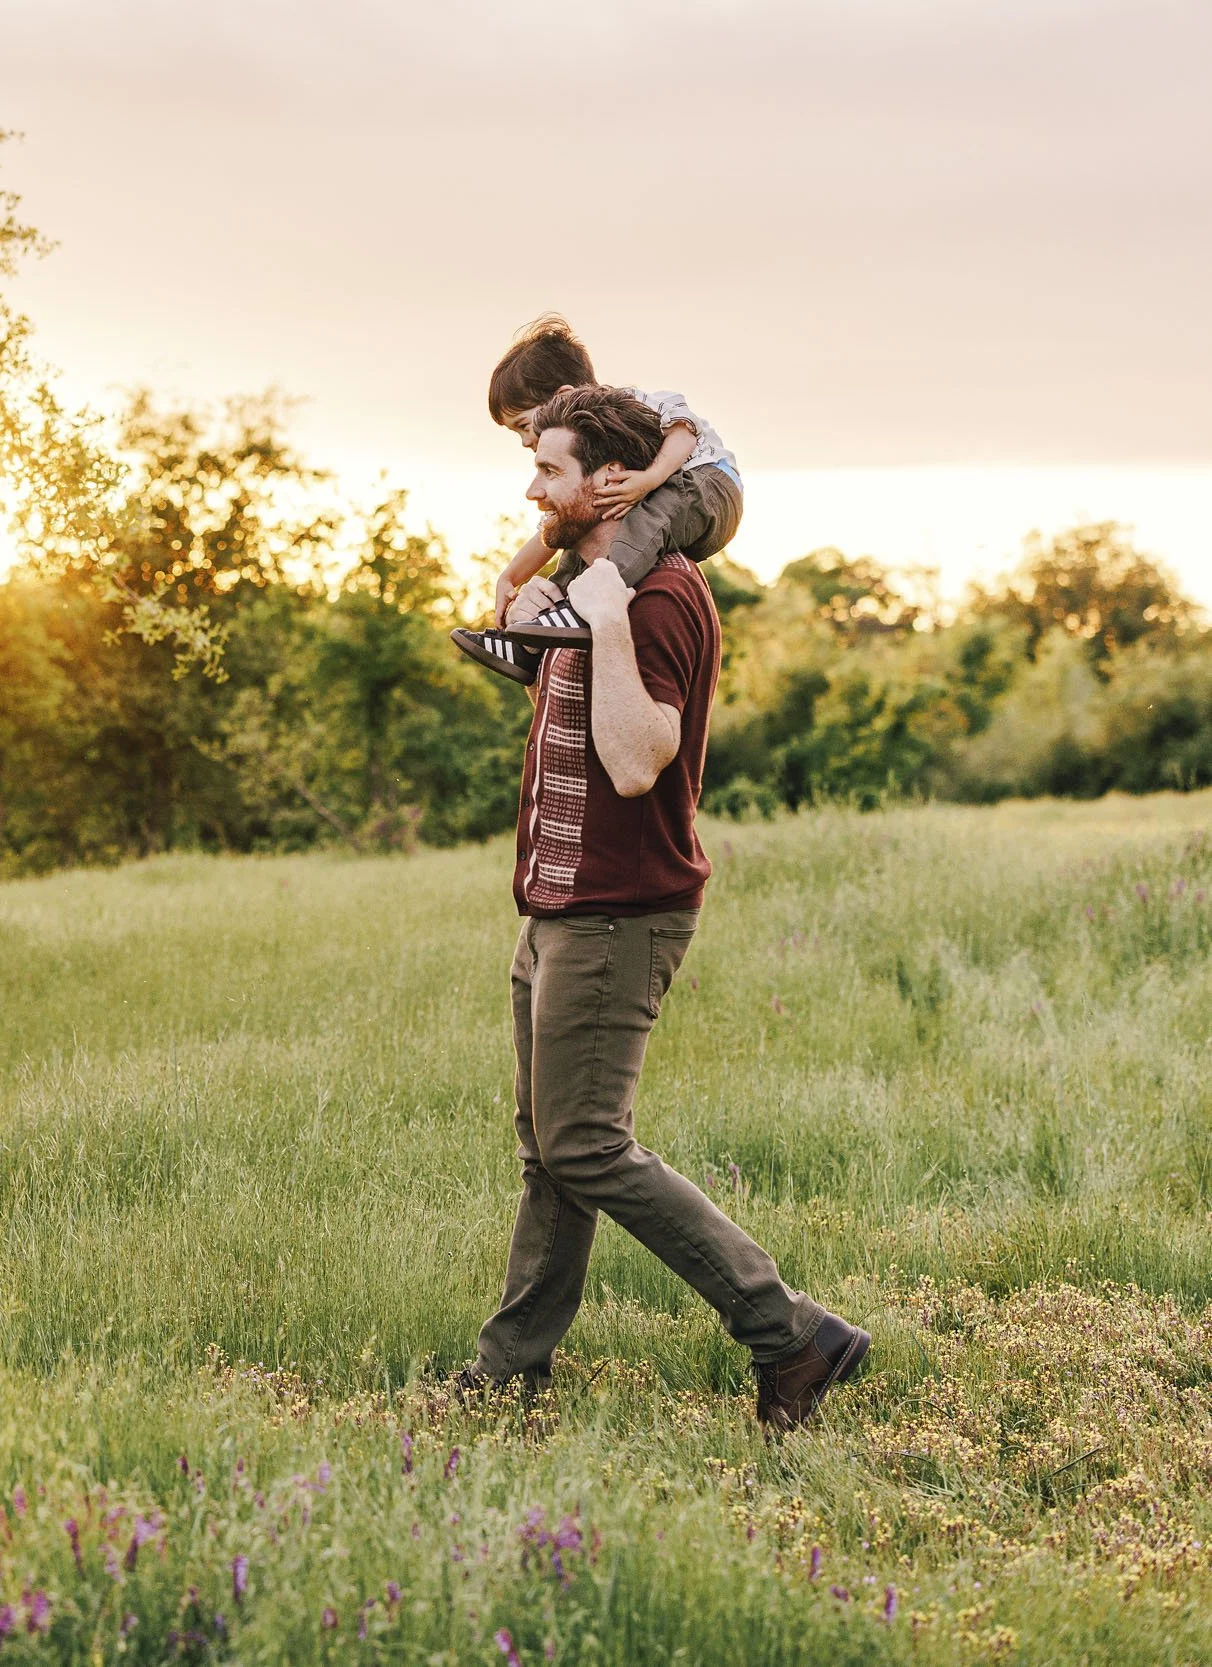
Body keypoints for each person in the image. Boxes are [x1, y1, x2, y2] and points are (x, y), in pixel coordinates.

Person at [459, 386, 867, 1431]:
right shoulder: (590, 587)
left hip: (615, 913)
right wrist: (532, 626)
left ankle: (792, 1335)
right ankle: (509, 1369)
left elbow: (639, 760)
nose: (530, 485)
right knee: (550, 1148)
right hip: (555, 908)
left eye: (546, 468)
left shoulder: (655, 596)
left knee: (586, 1141)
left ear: (606, 479)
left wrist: (599, 630)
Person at [452, 315, 743, 685]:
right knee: (579, 527)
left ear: (562, 398)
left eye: (524, 426)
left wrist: (649, 479)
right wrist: (510, 576)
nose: (526, 442)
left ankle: (583, 606)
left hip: (709, 485)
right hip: (666, 488)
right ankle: (528, 646)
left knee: (647, 519)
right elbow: (553, 529)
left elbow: (685, 433)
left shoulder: (633, 406)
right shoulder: (594, 444)